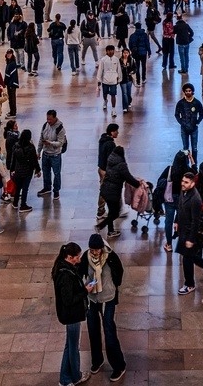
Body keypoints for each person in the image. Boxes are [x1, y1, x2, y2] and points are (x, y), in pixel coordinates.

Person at [83, 234, 128, 382]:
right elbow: (80, 272)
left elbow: (119, 273)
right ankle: (97, 360)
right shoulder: (86, 256)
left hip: (107, 299)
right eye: (92, 250)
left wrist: (112, 287)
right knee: (93, 329)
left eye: (97, 250)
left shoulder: (111, 257)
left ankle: (118, 365)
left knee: (109, 331)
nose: (94, 253)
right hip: (93, 299)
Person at [52, 242, 88, 386]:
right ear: (69, 257)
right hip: (71, 315)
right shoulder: (65, 276)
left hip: (69, 315)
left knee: (69, 345)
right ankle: (74, 377)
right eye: (77, 257)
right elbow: (68, 300)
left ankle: (65, 379)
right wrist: (85, 291)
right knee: (73, 348)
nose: (79, 259)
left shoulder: (62, 267)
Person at [173, 171, 203, 294]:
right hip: (183, 229)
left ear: (193, 183)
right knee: (189, 256)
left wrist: (191, 239)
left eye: (186, 182)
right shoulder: (183, 191)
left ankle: (189, 284)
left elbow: (195, 222)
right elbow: (179, 206)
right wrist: (176, 220)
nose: (183, 184)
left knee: (186, 258)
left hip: (189, 232)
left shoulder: (195, 199)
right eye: (182, 181)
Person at [98, 144, 140, 239]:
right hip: (113, 192)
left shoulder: (110, 160)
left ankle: (110, 231)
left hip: (105, 189)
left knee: (112, 212)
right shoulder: (121, 165)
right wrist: (138, 184)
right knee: (115, 213)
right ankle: (101, 226)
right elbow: (128, 178)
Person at [38, 109, 68, 200]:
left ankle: (56, 191)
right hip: (45, 154)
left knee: (56, 173)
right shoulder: (45, 125)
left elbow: (60, 143)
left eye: (50, 119)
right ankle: (47, 187)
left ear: (55, 118)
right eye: (47, 119)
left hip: (55, 155)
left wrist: (50, 143)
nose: (48, 121)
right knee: (46, 172)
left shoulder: (60, 129)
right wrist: (38, 151)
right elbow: (41, 139)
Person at [174, 85, 203, 158]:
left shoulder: (197, 103)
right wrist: (181, 122)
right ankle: (186, 165)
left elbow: (202, 114)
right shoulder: (180, 103)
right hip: (184, 128)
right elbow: (176, 114)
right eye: (186, 91)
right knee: (185, 148)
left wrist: (197, 122)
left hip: (194, 128)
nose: (188, 92)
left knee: (194, 148)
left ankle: (194, 165)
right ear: (184, 92)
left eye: (189, 91)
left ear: (192, 91)